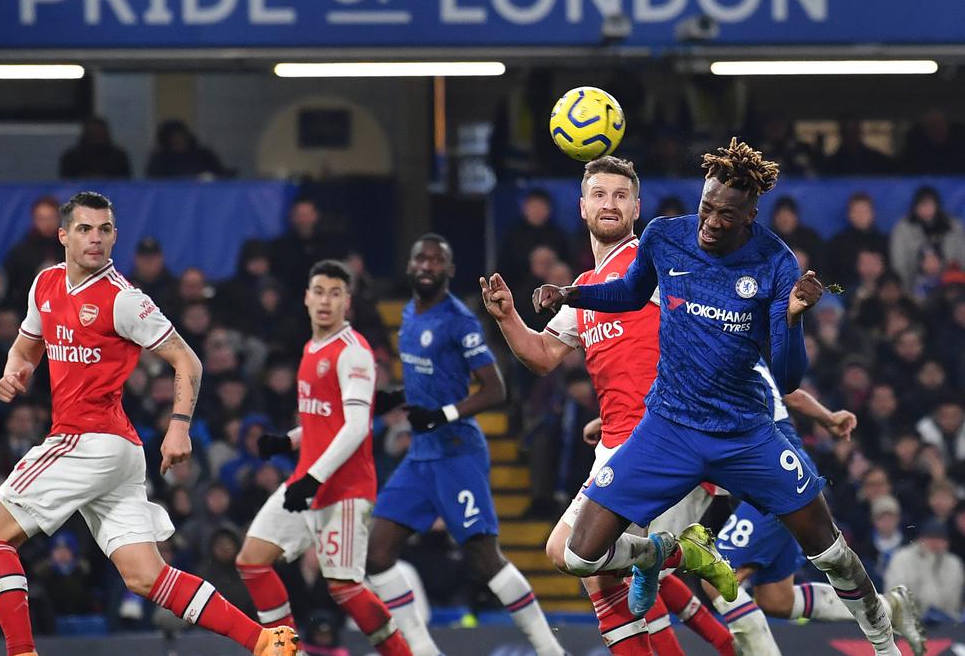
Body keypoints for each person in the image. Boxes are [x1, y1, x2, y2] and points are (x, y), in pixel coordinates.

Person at [531, 138, 901, 654]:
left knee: (830, 550)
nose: (710, 222)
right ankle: (666, 552)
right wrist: (572, 294)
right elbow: (630, 293)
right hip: (668, 429)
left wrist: (793, 318)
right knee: (578, 555)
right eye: (706, 207)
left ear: (750, 216)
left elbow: (787, 377)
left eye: (726, 215)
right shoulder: (665, 236)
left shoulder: (774, 262)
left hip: (744, 434)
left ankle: (885, 641)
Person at [0, 191, 299, 656]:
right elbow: (26, 347)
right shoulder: (45, 284)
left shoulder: (124, 300)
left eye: (104, 230)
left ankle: (21, 653)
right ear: (63, 236)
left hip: (87, 441)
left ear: (115, 236)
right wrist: (14, 371)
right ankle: (265, 641)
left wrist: (178, 426)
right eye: (85, 229)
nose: (95, 238)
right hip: (118, 453)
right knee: (146, 575)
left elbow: (188, 361)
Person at [481, 156, 733, 655]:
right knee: (586, 564)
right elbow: (543, 355)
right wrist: (508, 318)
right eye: (599, 195)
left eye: (621, 196)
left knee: (583, 556)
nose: (610, 204)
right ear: (582, 207)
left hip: (663, 442)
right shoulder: (585, 286)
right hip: (616, 444)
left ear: (637, 207)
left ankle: (681, 559)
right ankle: (672, 556)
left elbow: (710, 330)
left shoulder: (654, 265)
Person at [361, 236, 565, 656]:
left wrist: (443, 415)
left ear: (450, 271)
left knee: (484, 559)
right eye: (421, 258)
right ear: (410, 265)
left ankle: (551, 651)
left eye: (437, 260)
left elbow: (495, 389)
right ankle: (422, 650)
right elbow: (428, 379)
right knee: (377, 555)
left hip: (456, 453)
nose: (427, 265)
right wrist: (396, 397)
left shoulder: (459, 320)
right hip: (420, 457)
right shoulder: (409, 313)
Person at [235, 260, 411, 656]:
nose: (326, 301)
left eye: (335, 293)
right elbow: (326, 422)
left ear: (347, 302)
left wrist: (312, 480)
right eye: (319, 292)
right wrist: (287, 442)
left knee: (344, 587)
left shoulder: (354, 353)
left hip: (343, 490)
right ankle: (286, 651)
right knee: (252, 561)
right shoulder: (311, 348)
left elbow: (356, 427)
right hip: (307, 480)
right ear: (306, 298)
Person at [706, 365, 924, 655]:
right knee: (777, 599)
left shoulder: (721, 358)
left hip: (774, 478)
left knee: (717, 575)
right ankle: (889, 607)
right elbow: (792, 396)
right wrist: (829, 417)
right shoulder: (747, 355)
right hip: (785, 471)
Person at [889, 186, 965, 291]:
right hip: (914, 284)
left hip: (950, 284)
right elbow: (899, 264)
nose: (925, 209)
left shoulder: (953, 226)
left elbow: (962, 257)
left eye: (929, 204)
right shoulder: (903, 228)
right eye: (921, 205)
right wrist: (904, 291)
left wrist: (942, 264)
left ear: (937, 205)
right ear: (915, 207)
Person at [3, 197, 65, 310]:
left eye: (51, 217)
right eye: (42, 219)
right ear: (34, 220)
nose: (47, 223)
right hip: (27, 310)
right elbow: (9, 286)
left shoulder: (70, 249)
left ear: (59, 218)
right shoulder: (21, 251)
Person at [145, 120, 227, 179]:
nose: (178, 138)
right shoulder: (160, 158)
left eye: (181, 135)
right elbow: (153, 179)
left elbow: (219, 173)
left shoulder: (204, 154)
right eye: (174, 136)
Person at [59, 117, 131, 179]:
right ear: (85, 134)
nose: (96, 137)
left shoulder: (119, 157)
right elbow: (66, 183)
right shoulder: (71, 157)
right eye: (92, 134)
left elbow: (125, 183)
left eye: (99, 134)